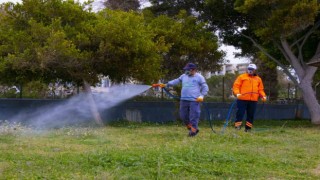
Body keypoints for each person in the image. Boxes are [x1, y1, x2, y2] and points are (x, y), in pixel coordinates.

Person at [159, 63, 209, 137]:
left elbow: (205, 87)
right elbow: (176, 81)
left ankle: (193, 131)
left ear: (193, 70)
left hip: (194, 100)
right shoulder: (183, 76)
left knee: (194, 116)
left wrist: (201, 96)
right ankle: (192, 128)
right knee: (183, 116)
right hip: (184, 100)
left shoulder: (199, 77)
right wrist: (166, 84)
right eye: (186, 70)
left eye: (188, 70)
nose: (186, 71)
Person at [232, 63, 267, 132]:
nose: (250, 71)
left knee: (250, 115)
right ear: (247, 69)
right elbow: (236, 86)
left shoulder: (258, 79)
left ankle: (248, 129)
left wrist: (263, 96)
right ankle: (237, 127)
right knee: (240, 113)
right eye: (249, 69)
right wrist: (237, 94)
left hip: (253, 100)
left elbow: (260, 89)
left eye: (252, 69)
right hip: (242, 99)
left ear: (255, 70)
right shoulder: (242, 77)